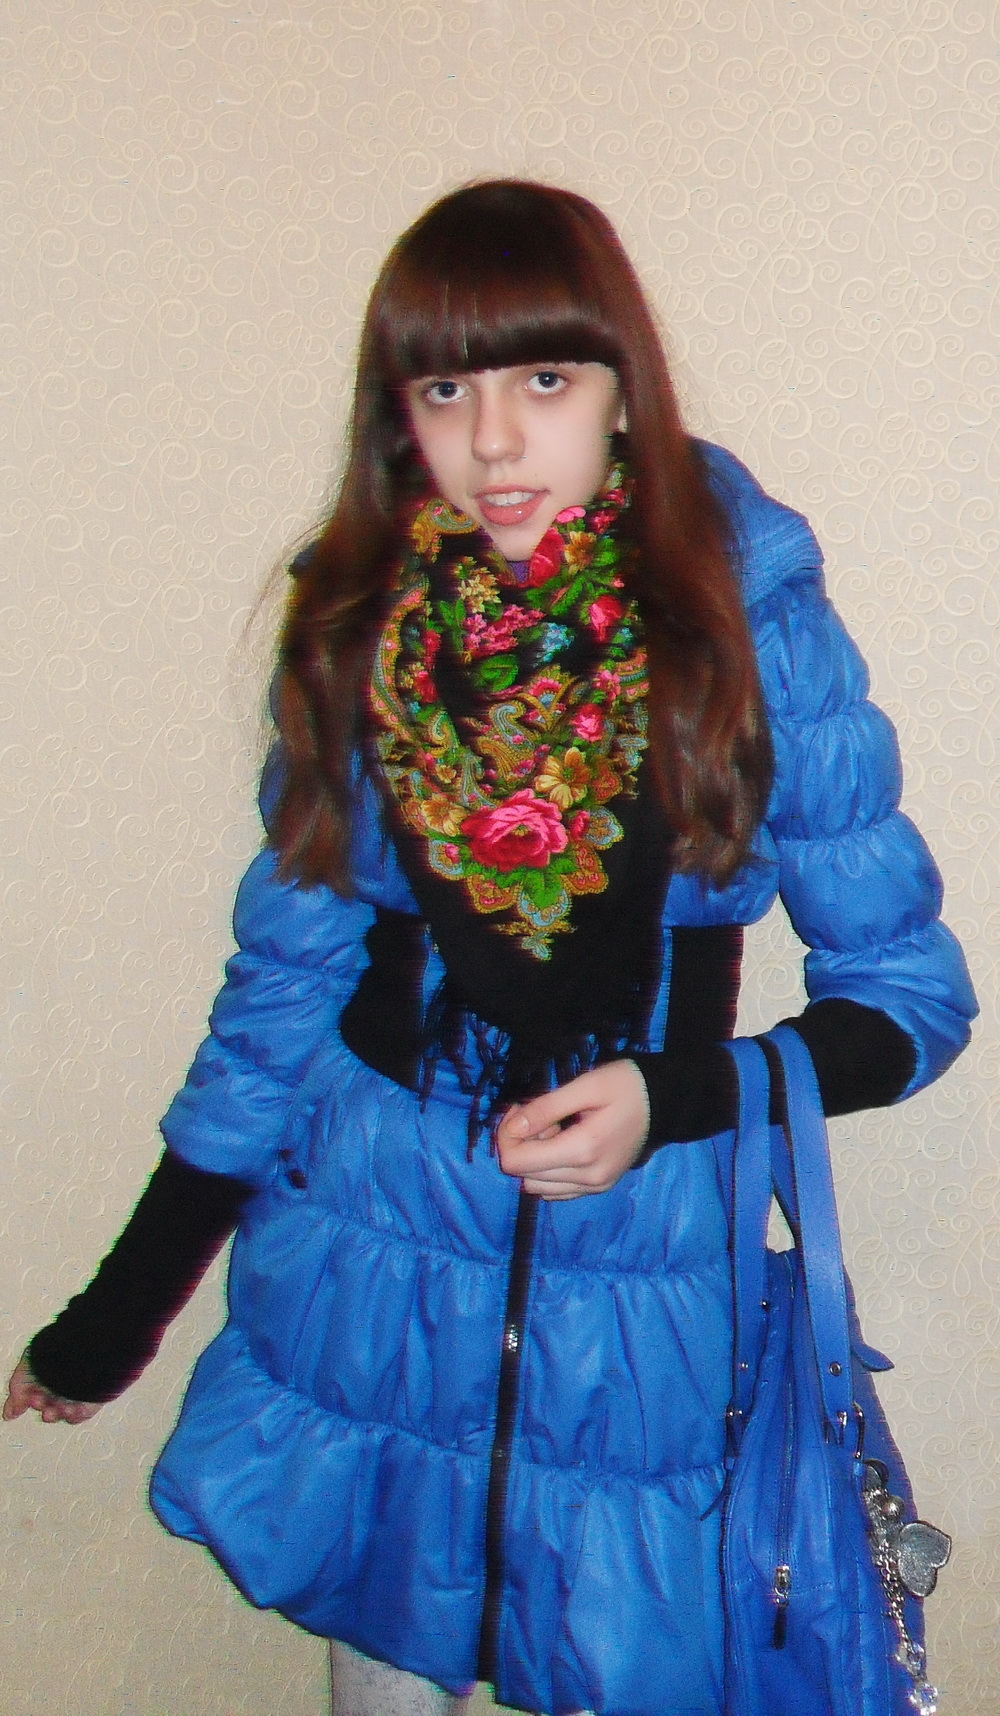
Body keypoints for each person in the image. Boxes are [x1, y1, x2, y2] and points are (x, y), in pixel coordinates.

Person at [4, 180, 976, 1716]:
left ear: (622, 389)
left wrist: (674, 1096)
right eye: (445, 390)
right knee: (385, 1672)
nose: (497, 442)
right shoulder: (360, 626)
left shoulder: (745, 620)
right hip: (371, 1287)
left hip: (641, 1307)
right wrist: (116, 1315)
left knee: (633, 1660)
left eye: (545, 378)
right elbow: (281, 996)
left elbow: (908, 1002)